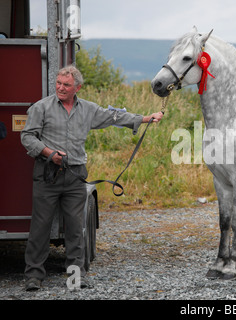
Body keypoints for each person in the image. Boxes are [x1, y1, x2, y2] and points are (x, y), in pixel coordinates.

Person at [20, 65, 164, 291]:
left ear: (77, 87)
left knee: (76, 229)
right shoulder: (41, 108)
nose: (61, 88)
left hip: (75, 177)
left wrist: (147, 118)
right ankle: (34, 276)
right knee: (40, 227)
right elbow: (27, 136)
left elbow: (114, 116)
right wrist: (49, 153)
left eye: (66, 85)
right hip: (46, 175)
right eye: (58, 83)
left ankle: (76, 276)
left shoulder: (88, 109)